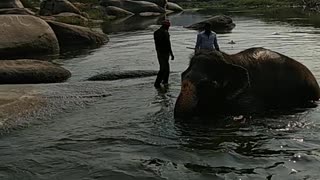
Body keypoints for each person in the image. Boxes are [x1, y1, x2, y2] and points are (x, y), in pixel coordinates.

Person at [153, 19, 174, 88]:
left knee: (166, 69)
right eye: (168, 26)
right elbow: (168, 44)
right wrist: (171, 53)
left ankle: (165, 82)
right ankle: (157, 83)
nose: (168, 28)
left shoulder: (157, 32)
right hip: (163, 52)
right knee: (163, 69)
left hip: (161, 52)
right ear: (166, 26)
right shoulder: (164, 33)